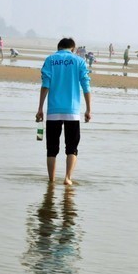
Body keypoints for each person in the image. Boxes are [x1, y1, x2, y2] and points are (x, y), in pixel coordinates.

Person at [36, 38, 92, 186]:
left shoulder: (50, 59)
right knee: (72, 148)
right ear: (73, 49)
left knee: (52, 149)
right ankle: (67, 178)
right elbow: (86, 86)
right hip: (72, 112)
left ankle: (51, 180)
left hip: (53, 111)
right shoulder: (78, 61)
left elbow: (45, 84)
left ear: (58, 47)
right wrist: (88, 109)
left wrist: (40, 108)